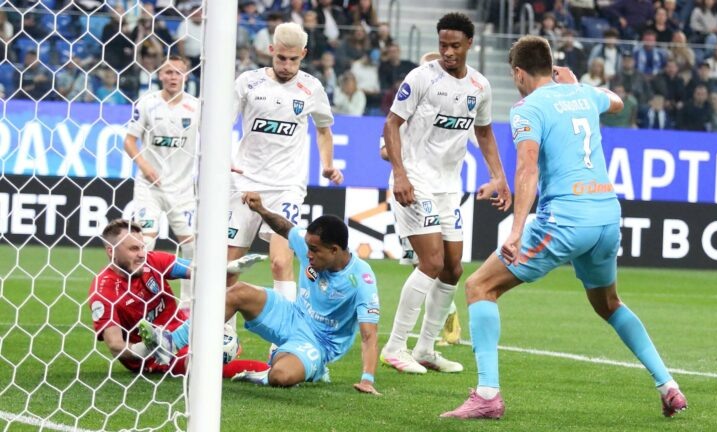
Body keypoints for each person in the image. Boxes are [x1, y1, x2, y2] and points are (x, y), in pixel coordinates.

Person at [440, 35, 688, 420]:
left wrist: (516, 230)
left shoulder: (527, 109)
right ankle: (668, 385)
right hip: (606, 215)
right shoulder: (584, 93)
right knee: (609, 304)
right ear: (552, 67)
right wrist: (575, 83)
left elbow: (527, 168)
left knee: (479, 287)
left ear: (518, 73)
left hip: (566, 219)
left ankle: (488, 394)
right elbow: (617, 101)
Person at [141, 194, 381, 395]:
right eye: (307, 247)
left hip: (318, 343)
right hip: (292, 315)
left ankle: (302, 369)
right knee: (237, 292)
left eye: (314, 250)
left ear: (335, 250)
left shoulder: (361, 279)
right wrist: (261, 209)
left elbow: (369, 335)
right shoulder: (309, 244)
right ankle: (172, 342)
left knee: (281, 375)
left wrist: (367, 379)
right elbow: (284, 227)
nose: (307, 254)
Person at [379, 12, 510, 375]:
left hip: (448, 187)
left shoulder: (480, 86)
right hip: (415, 181)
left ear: (469, 44)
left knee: (453, 268)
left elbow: (484, 132)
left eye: (455, 46)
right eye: (442, 45)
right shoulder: (421, 78)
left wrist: (499, 177)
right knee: (431, 262)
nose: (448, 52)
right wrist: (400, 174)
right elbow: (392, 123)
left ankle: (425, 348)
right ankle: (395, 346)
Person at [228, 22, 344, 310]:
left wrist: (328, 164)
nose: (287, 65)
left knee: (281, 262)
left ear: (303, 54)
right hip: (244, 182)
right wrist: (225, 158)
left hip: (286, 186)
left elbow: (324, 130)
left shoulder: (311, 87)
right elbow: (220, 123)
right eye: (281, 58)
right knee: (228, 265)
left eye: (293, 59)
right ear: (271, 50)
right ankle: (223, 331)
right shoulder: (248, 82)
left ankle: (285, 330)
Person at [87, 219, 269, 377]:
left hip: (183, 333)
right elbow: (115, 345)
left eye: (142, 247)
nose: (142, 254)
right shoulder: (103, 291)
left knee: (238, 297)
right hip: (157, 358)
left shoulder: (152, 261)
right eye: (134, 249)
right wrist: (151, 348)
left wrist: (227, 269)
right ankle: (271, 373)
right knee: (206, 365)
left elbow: (196, 271)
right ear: (111, 251)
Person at [124, 55, 198, 311]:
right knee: (144, 243)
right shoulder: (147, 104)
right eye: (168, 72)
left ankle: (188, 306)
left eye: (178, 72)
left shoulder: (196, 107)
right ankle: (139, 299)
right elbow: (129, 141)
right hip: (150, 187)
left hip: (183, 190)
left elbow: (213, 140)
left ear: (186, 75)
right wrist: (145, 166)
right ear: (160, 75)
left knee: (192, 246)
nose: (173, 77)